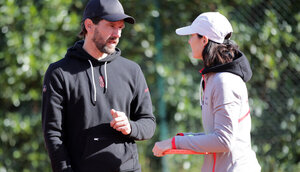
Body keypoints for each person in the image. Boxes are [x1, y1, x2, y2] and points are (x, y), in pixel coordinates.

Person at [42, 0, 156, 171]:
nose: (117, 33)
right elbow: (53, 135)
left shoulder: (132, 70)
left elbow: (149, 123)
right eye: (111, 26)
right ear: (89, 25)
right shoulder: (59, 73)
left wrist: (130, 127)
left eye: (120, 28)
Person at [152, 12, 261, 172]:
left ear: (204, 40)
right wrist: (178, 140)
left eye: (192, 36)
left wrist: (175, 142)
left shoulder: (224, 81)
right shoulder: (213, 78)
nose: (189, 41)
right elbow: (216, 135)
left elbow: (224, 141)